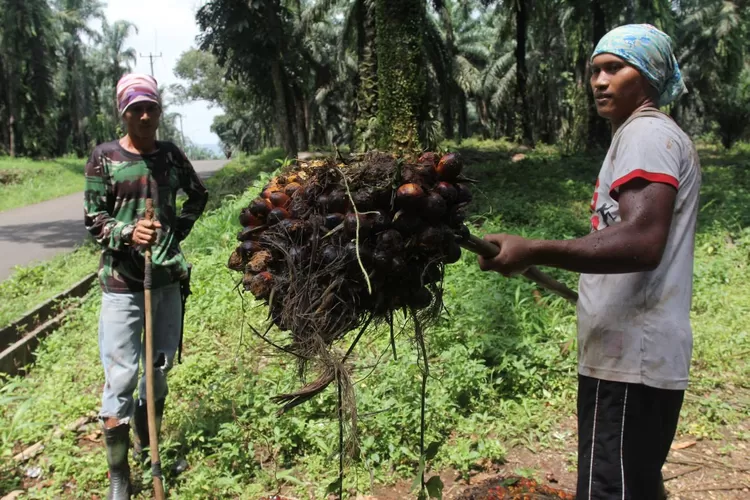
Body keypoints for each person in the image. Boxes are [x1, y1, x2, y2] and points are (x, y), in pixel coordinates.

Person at [478, 24, 700, 500]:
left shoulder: (645, 134)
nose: (599, 81)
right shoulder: (644, 136)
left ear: (647, 75)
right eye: (595, 70)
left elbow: (642, 239)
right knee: (634, 485)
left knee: (610, 490)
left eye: (614, 68)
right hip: (635, 356)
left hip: (629, 359)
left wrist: (534, 248)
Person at [84, 73, 209, 499]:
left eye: (150, 107)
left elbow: (198, 195)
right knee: (121, 377)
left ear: (159, 111)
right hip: (122, 283)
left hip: (166, 281)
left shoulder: (170, 156)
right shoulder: (105, 157)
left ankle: (147, 447)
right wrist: (126, 233)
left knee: (157, 369)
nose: (143, 115)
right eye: (135, 108)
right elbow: (93, 218)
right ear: (123, 112)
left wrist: (175, 234)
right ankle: (120, 476)